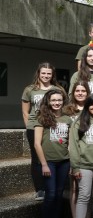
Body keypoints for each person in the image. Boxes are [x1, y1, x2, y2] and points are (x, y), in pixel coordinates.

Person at [33, 89, 72, 218]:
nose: (56, 103)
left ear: (63, 101)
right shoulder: (42, 118)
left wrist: (70, 160)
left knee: (59, 194)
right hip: (48, 162)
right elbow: (37, 144)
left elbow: (69, 142)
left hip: (64, 162)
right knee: (50, 194)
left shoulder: (67, 119)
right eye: (53, 100)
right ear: (48, 102)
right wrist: (43, 164)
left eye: (59, 100)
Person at [22, 62, 58, 201]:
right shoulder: (30, 89)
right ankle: (40, 189)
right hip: (33, 127)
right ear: (38, 73)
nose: (46, 76)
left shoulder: (56, 89)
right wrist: (29, 127)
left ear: (52, 75)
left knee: (48, 155)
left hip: (50, 127)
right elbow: (25, 112)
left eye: (49, 73)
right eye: (43, 73)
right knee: (36, 157)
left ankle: (50, 185)